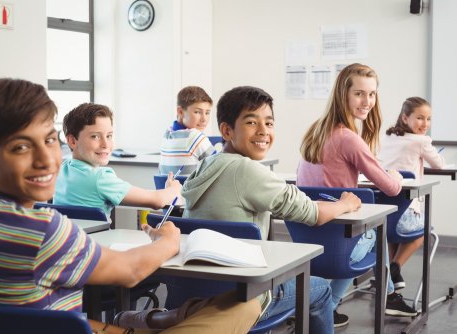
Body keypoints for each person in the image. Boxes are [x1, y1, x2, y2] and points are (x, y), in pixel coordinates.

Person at [0, 78, 264, 334]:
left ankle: (142, 320)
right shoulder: (44, 231)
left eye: (50, 140)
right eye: (22, 147)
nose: (46, 159)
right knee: (244, 304)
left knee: (205, 308)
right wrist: (169, 240)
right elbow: (130, 271)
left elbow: (27, 316)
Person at [181, 85, 362, 334]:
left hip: (195, 292)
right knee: (320, 289)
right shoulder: (248, 170)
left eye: (269, 123)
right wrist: (346, 204)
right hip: (244, 297)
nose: (263, 131)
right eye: (252, 122)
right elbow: (313, 214)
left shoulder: (206, 165)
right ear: (226, 130)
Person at [297, 63, 418, 326]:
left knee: (373, 230)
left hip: (305, 240)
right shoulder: (348, 138)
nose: (368, 101)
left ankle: (332, 305)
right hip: (336, 245)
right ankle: (331, 306)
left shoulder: (316, 130)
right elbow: (391, 188)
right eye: (359, 94)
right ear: (343, 94)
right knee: (377, 234)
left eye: (372, 94)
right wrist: (396, 175)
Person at [53, 103, 181, 217]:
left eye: (109, 136)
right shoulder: (100, 178)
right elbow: (157, 201)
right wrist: (174, 189)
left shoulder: (61, 169)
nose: (105, 144)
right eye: (95, 136)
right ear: (72, 141)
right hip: (95, 242)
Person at [378, 97, 445, 289]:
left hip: (382, 214)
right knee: (424, 232)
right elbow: (439, 165)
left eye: (429, 119)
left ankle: (388, 274)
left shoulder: (388, 136)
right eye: (420, 118)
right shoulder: (421, 141)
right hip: (403, 213)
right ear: (405, 118)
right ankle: (395, 266)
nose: (425, 124)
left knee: (391, 233)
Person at [158, 86, 216, 176]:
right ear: (180, 112)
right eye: (197, 112)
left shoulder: (166, 135)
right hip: (188, 189)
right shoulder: (195, 137)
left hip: (167, 189)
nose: (204, 119)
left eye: (207, 113)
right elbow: (219, 166)